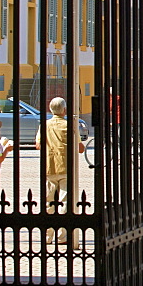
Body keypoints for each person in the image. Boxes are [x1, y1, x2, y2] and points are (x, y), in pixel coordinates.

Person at [35, 97, 86, 245]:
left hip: (49, 167)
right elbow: (80, 148)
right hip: (66, 167)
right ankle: (62, 237)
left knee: (48, 203)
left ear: (50, 109)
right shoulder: (69, 125)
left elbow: (38, 145)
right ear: (64, 110)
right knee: (65, 202)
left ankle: (47, 236)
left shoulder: (45, 125)